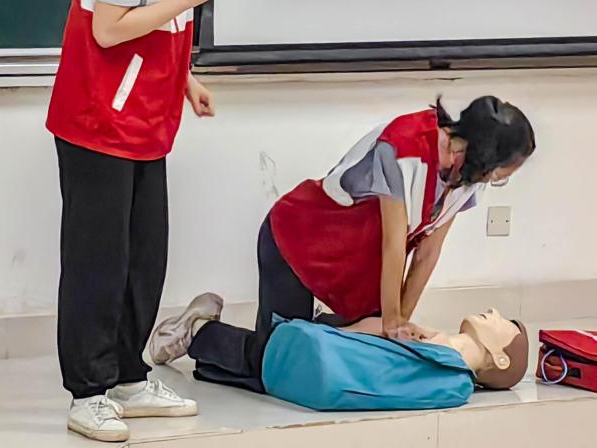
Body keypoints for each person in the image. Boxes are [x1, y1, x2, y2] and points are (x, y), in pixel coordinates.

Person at [45, 0, 239, 443]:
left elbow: (157, 26)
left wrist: (185, 79)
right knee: (97, 263)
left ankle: (129, 376)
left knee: (143, 258)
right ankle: (88, 392)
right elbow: (109, 28)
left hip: (144, 121)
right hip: (98, 121)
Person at [149, 97, 535, 394]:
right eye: (499, 174)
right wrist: (392, 322)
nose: (493, 181)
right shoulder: (403, 146)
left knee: (355, 354)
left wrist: (398, 324)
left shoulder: (468, 177)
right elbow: (394, 243)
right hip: (299, 242)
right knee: (280, 363)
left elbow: (428, 252)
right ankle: (198, 332)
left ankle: (310, 327)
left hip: (354, 262)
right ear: (480, 155)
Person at [151, 300, 529, 410]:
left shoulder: (450, 365)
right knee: (259, 364)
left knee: (260, 352)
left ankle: (192, 331)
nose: (493, 312)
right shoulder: (451, 377)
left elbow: (381, 342)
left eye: (505, 324)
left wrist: (333, 331)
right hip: (329, 376)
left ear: (500, 359)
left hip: (326, 360)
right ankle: (200, 341)